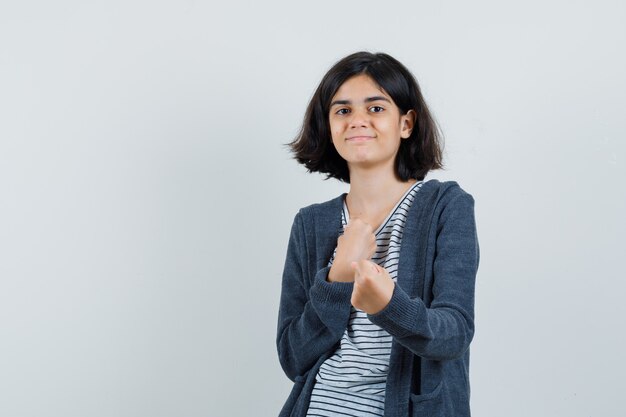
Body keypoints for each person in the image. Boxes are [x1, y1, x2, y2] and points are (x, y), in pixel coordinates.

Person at [276, 51, 479, 417]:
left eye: (375, 108)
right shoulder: (311, 223)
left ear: (406, 123)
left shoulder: (446, 205)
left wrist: (388, 305)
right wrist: (338, 275)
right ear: (328, 126)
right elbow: (293, 357)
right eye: (342, 111)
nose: (357, 121)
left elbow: (454, 334)